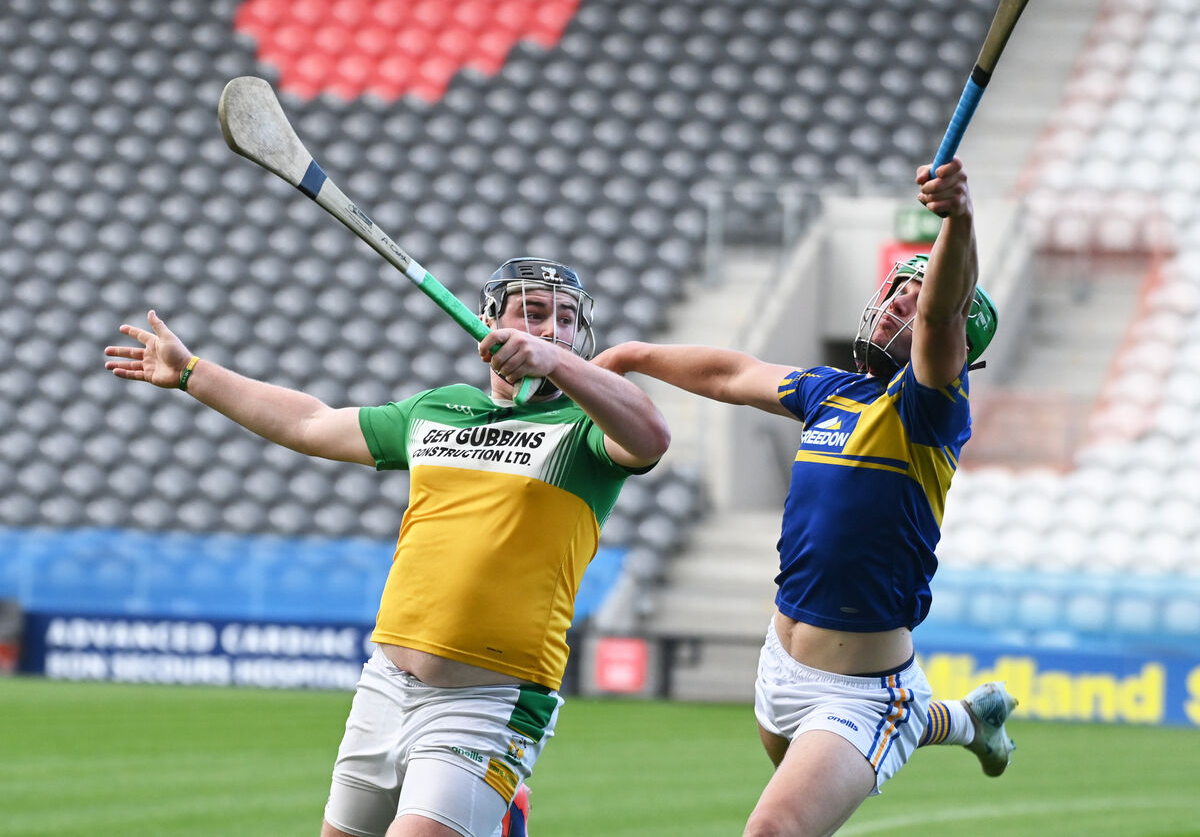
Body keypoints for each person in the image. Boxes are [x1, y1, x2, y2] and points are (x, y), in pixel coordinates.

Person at [105, 257, 670, 837]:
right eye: (534, 312)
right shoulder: (438, 409)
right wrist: (193, 372)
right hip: (385, 683)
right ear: (490, 324)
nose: (553, 329)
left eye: (567, 319)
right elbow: (311, 424)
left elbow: (652, 436)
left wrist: (553, 363)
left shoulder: (586, 428)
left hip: (489, 703)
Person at [593, 157, 1014, 836]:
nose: (901, 300)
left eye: (918, 293)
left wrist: (958, 219)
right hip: (779, 666)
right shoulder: (831, 391)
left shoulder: (928, 413)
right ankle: (966, 718)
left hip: (859, 695)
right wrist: (636, 355)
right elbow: (734, 374)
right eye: (895, 289)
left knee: (772, 831)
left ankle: (924, 714)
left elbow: (941, 314)